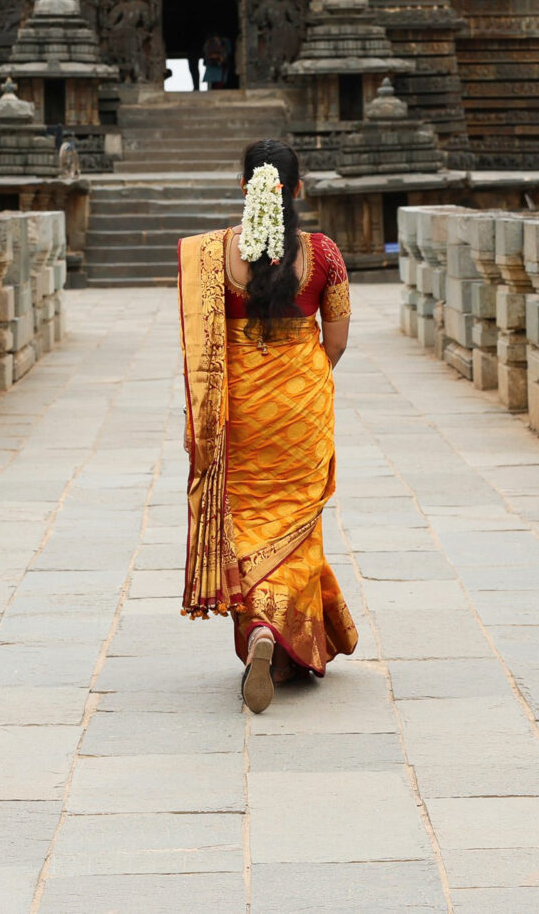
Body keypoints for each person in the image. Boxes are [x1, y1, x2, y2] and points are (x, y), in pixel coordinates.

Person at [177, 138, 356, 712]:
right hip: (300, 411)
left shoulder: (213, 256)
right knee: (297, 525)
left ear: (242, 188)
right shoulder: (323, 253)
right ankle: (279, 644)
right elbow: (338, 340)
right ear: (298, 190)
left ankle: (262, 633)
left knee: (248, 520)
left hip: (240, 412)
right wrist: (304, 380)